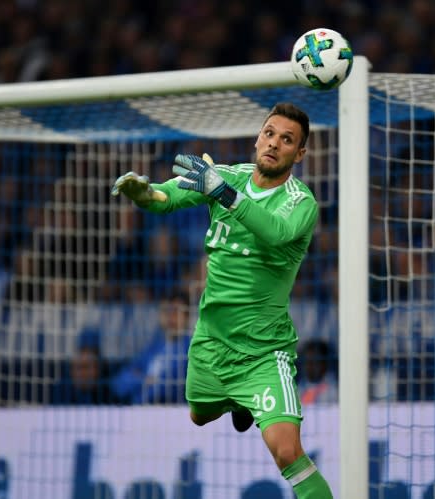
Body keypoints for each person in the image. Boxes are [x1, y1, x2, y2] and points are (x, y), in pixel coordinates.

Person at [111, 102, 333, 498]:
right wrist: (142, 192)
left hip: (264, 351)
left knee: (286, 451)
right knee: (199, 415)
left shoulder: (301, 203)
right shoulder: (225, 178)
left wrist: (226, 195)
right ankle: (238, 405)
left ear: (299, 154)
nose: (274, 143)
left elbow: (277, 233)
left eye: (287, 140)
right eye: (269, 133)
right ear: (257, 137)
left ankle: (252, 403)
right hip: (211, 342)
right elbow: (167, 197)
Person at [110, 291, 192, 404]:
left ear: (187, 317)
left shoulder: (191, 348)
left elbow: (168, 389)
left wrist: (141, 380)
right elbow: (119, 384)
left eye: (176, 311)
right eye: (166, 311)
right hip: (141, 412)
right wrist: (144, 380)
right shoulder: (154, 348)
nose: (170, 317)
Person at [50, 329, 120, 405]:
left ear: (98, 369)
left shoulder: (109, 391)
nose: (82, 373)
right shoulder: (62, 391)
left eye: (86, 367)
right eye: (78, 367)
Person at [297, 339, 338, 405]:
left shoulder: (333, 389)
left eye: (313, 362)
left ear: (324, 364)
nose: (309, 366)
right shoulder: (299, 387)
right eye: (307, 362)